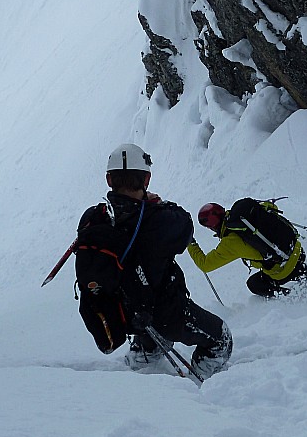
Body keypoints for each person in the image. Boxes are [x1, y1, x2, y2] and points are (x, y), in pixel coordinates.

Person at [78, 143, 232, 379]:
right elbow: (186, 228)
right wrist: (157, 204)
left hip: (123, 314)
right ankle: (194, 390)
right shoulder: (160, 220)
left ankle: (143, 364)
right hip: (165, 313)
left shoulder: (92, 218)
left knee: (150, 337)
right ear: (147, 179)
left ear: (109, 180)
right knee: (221, 339)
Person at [188, 200, 307, 298]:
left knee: (255, 284)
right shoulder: (246, 215)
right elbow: (271, 207)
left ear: (212, 226)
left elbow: (205, 265)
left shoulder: (231, 242)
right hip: (296, 249)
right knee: (294, 266)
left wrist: (191, 243)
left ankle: (293, 298)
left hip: (282, 268)